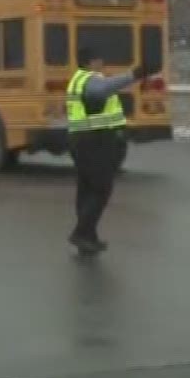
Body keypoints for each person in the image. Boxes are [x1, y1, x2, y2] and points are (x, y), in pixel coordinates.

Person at [66, 47, 153, 255]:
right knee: (100, 190)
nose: (101, 64)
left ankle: (88, 238)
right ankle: (81, 233)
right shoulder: (90, 80)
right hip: (93, 141)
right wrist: (133, 74)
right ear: (88, 63)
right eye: (98, 60)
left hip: (83, 140)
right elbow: (104, 89)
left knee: (86, 191)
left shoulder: (79, 79)